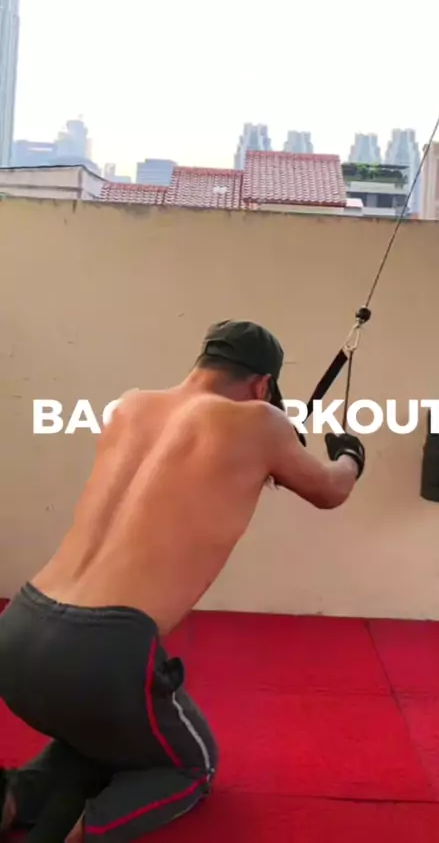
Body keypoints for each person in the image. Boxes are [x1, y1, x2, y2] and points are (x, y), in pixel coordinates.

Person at [0, 319, 365, 842]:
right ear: (262, 385)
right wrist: (351, 455)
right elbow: (330, 490)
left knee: (104, 737)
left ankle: (15, 798)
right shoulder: (262, 421)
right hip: (102, 654)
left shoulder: (131, 406)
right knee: (193, 764)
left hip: (18, 630)